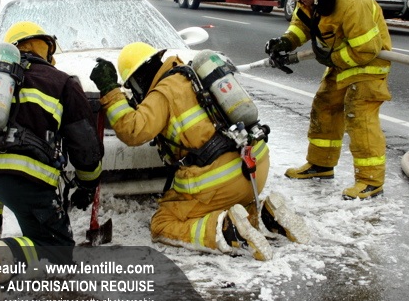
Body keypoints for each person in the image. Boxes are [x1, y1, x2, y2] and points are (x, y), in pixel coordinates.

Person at [89, 43, 310, 262]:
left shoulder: (163, 93)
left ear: (137, 80)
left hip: (220, 181)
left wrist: (111, 91)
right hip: (254, 166)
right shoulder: (190, 73)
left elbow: (132, 131)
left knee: (162, 222)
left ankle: (225, 230)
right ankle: (265, 216)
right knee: (230, 204)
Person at [0, 21, 103, 276]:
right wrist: (88, 184)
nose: (51, 56)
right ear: (38, 45)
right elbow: (85, 147)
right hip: (24, 177)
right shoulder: (61, 81)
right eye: (48, 48)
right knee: (56, 251)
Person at [265, 0, 392, 200]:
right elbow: (303, 24)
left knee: (358, 114)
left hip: (368, 63)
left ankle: (370, 181)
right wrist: (286, 41)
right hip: (342, 59)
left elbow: (366, 50)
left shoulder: (352, 2)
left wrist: (331, 58)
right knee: (325, 106)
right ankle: (320, 165)